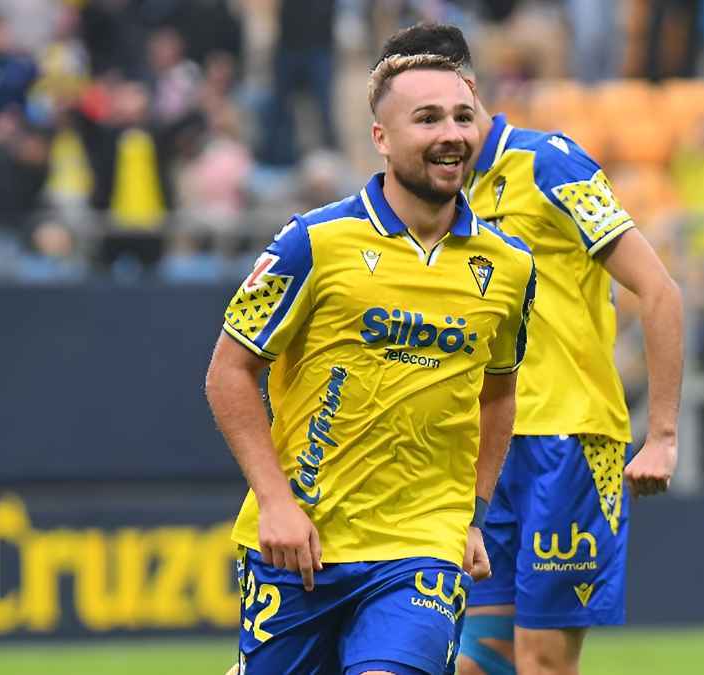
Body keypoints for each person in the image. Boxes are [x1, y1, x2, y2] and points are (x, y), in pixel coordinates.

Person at [205, 53, 536, 675]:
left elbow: (498, 393)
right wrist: (275, 501)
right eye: (428, 118)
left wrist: (474, 515)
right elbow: (228, 371)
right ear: (381, 138)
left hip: (423, 543)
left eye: (464, 117)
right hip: (304, 542)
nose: (451, 135)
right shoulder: (312, 243)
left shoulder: (510, 266)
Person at [378, 24, 684, 675]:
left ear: (468, 91)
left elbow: (658, 291)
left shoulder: (550, 164)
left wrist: (660, 432)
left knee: (543, 660)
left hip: (565, 443)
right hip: (482, 452)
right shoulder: (436, 198)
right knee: (477, 658)